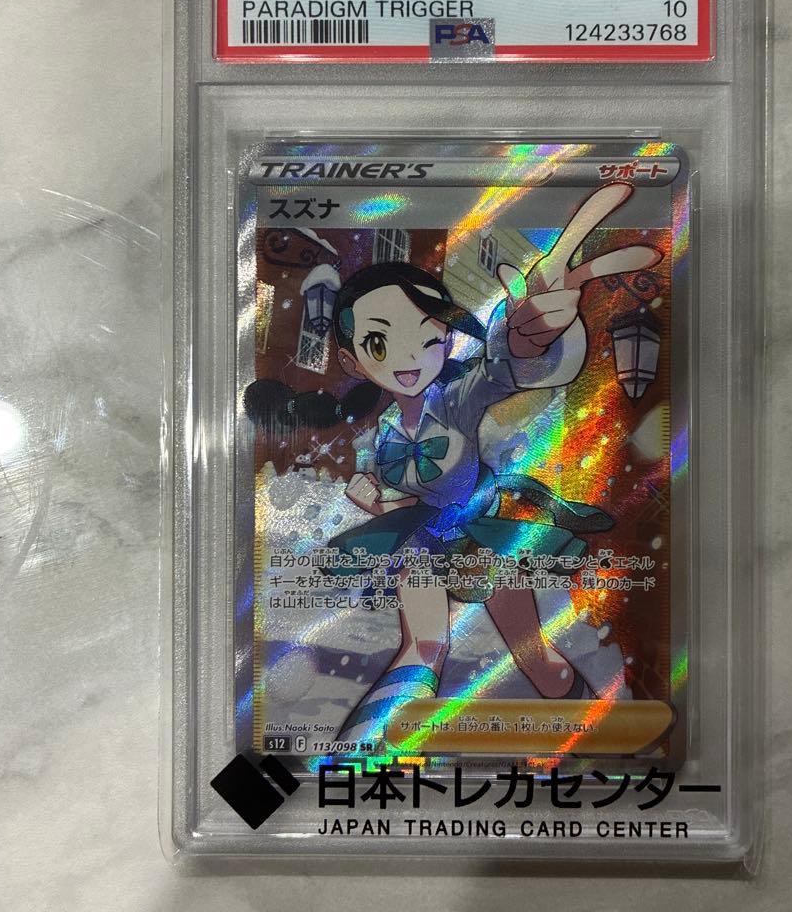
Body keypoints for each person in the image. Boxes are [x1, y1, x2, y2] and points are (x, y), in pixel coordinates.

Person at [244, 181, 660, 750]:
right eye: (380, 344)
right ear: (353, 360)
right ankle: (359, 757)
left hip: (481, 539)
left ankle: (601, 738)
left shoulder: (456, 399)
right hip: (420, 545)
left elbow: (500, 370)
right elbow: (398, 497)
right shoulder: (386, 432)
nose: (408, 358)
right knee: (422, 649)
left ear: (445, 337)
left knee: (535, 659)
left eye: (426, 337)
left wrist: (527, 339)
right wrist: (375, 499)